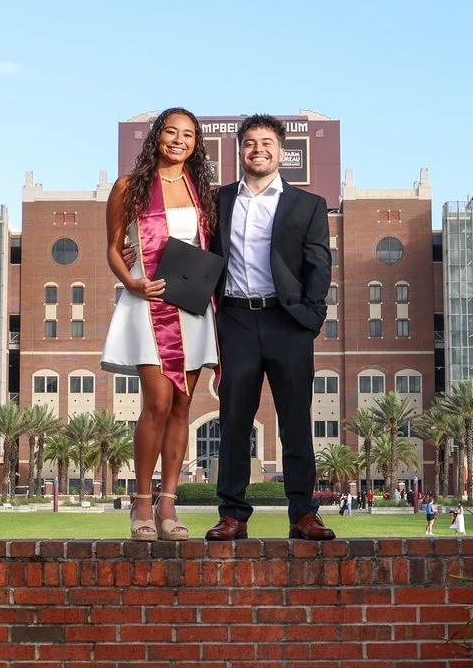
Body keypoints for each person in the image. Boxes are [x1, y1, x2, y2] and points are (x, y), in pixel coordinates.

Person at [205, 115, 335, 542]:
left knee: (295, 422)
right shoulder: (218, 200)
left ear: (281, 152)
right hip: (236, 321)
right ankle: (233, 515)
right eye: (249, 143)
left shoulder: (308, 204)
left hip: (288, 323)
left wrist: (310, 318)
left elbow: (319, 264)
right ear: (239, 150)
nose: (257, 149)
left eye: (266, 143)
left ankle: (302, 514)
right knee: (234, 421)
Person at [103, 106, 219, 541]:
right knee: (156, 401)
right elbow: (114, 248)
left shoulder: (202, 191)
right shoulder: (129, 187)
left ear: (196, 144)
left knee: (184, 406)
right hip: (148, 303)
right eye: (171, 132)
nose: (178, 140)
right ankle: (142, 502)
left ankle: (169, 504)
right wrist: (130, 282)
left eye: (188, 135)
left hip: (192, 306)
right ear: (156, 136)